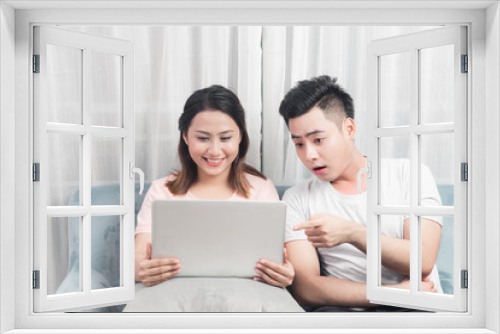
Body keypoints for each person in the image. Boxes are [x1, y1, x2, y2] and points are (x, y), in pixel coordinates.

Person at [278, 75, 443, 311]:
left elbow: (422, 260)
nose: (309, 154)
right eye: (299, 144)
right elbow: (307, 290)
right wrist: (393, 294)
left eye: (318, 139)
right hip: (346, 318)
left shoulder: (409, 173)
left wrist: (352, 233)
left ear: (349, 128)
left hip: (419, 314)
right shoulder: (297, 198)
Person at [134, 85, 294, 289]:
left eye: (226, 138)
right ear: (185, 137)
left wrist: (285, 273)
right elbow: (138, 258)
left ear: (240, 138)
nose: (215, 151)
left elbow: (280, 258)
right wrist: (141, 269)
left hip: (246, 295)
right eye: (202, 138)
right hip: (175, 293)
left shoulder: (261, 188)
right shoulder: (162, 190)